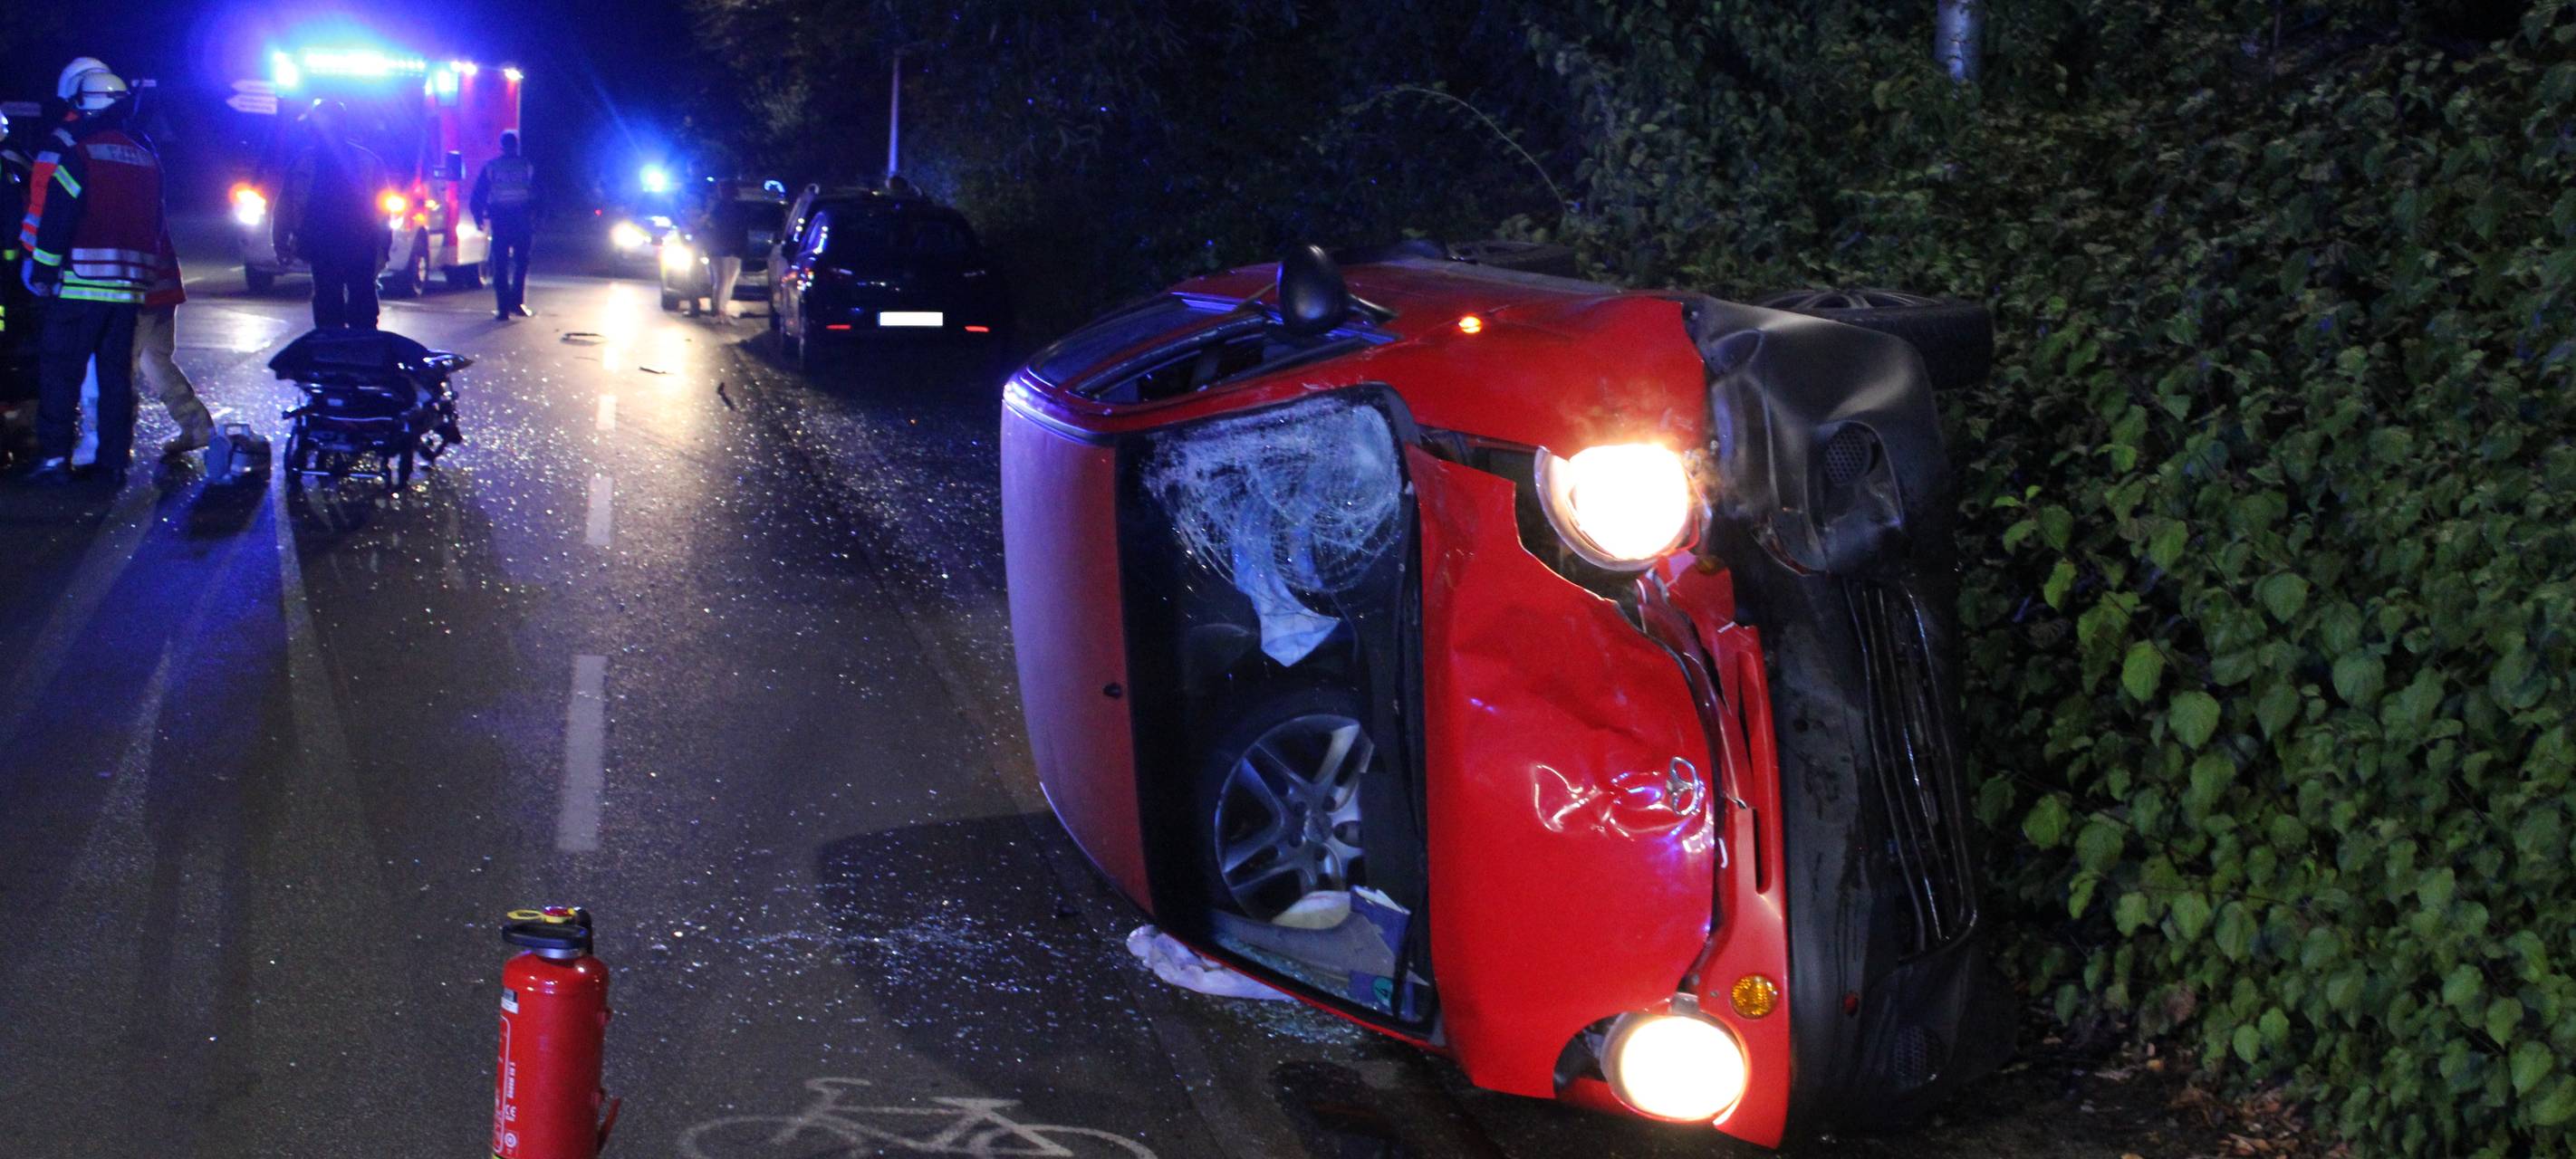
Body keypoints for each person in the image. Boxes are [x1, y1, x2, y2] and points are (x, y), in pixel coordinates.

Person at [20, 67, 161, 484]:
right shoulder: (146, 155)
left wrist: (43, 269)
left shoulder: (81, 153)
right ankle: (114, 462)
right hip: (129, 288)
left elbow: (58, 220)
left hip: (82, 283)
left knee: (62, 370)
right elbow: (155, 223)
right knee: (116, 378)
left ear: (88, 107)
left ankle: (53, 460)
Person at [274, 100, 390, 330]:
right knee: (358, 303)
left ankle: (336, 350)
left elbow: (285, 206)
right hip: (355, 245)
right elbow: (384, 212)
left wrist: (281, 242)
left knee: (333, 305)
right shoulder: (368, 161)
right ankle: (359, 352)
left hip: (328, 245)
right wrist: (383, 247)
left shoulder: (303, 163)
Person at [470, 130, 534, 320]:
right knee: (521, 263)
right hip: (522, 220)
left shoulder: (492, 166)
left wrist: (478, 216)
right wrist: (539, 216)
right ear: (516, 145)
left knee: (501, 263)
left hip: (501, 220)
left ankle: (503, 309)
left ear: (501, 146)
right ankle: (518, 303)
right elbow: (539, 192)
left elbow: (479, 193)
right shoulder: (526, 166)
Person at [695, 180, 754, 321]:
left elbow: (743, 229)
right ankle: (718, 309)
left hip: (734, 248)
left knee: (729, 280)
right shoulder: (717, 208)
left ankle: (721, 308)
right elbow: (712, 228)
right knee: (722, 279)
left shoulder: (739, 208)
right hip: (720, 249)